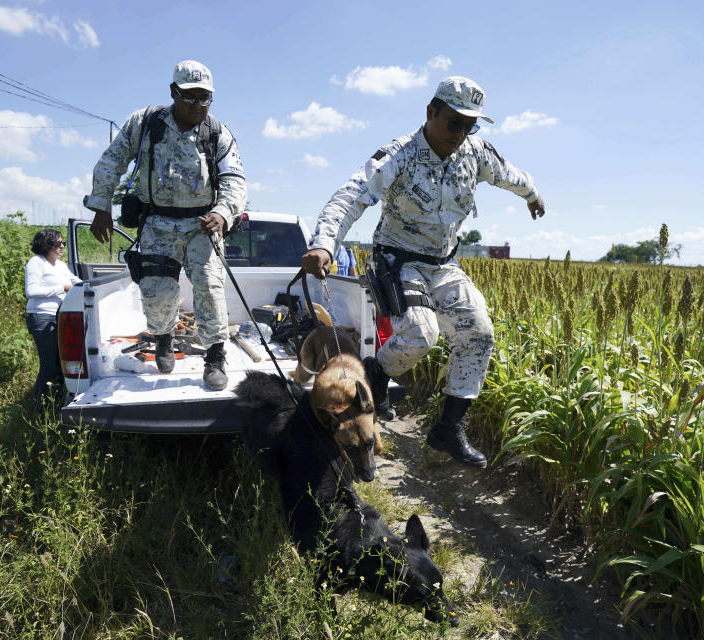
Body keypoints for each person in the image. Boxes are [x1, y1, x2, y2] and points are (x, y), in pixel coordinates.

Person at [302, 76, 546, 468]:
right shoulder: (400, 156)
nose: (462, 134)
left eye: (471, 126)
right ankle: (378, 375)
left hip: (443, 263)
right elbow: (350, 196)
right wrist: (323, 242)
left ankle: (448, 428)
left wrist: (532, 194)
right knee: (421, 332)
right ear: (431, 112)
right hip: (397, 260)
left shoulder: (475, 152)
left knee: (479, 332)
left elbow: (509, 173)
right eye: (454, 123)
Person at [83, 60, 246, 390]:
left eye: (205, 98)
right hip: (157, 224)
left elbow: (234, 179)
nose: (198, 105)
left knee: (210, 289)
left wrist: (223, 212)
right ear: (173, 92)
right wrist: (101, 205)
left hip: (203, 226)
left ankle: (215, 357)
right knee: (156, 295)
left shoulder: (218, 133)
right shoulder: (145, 123)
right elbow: (112, 159)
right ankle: (163, 337)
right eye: (190, 97)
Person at [25, 229, 81, 410]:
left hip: (60, 317)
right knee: (49, 365)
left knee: (60, 364)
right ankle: (40, 409)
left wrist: (90, 286)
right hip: (42, 317)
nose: (62, 246)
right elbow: (31, 291)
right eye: (58, 243)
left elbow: (76, 281)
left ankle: (54, 404)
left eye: (63, 243)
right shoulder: (36, 263)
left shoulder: (61, 265)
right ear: (47, 245)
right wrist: (62, 288)